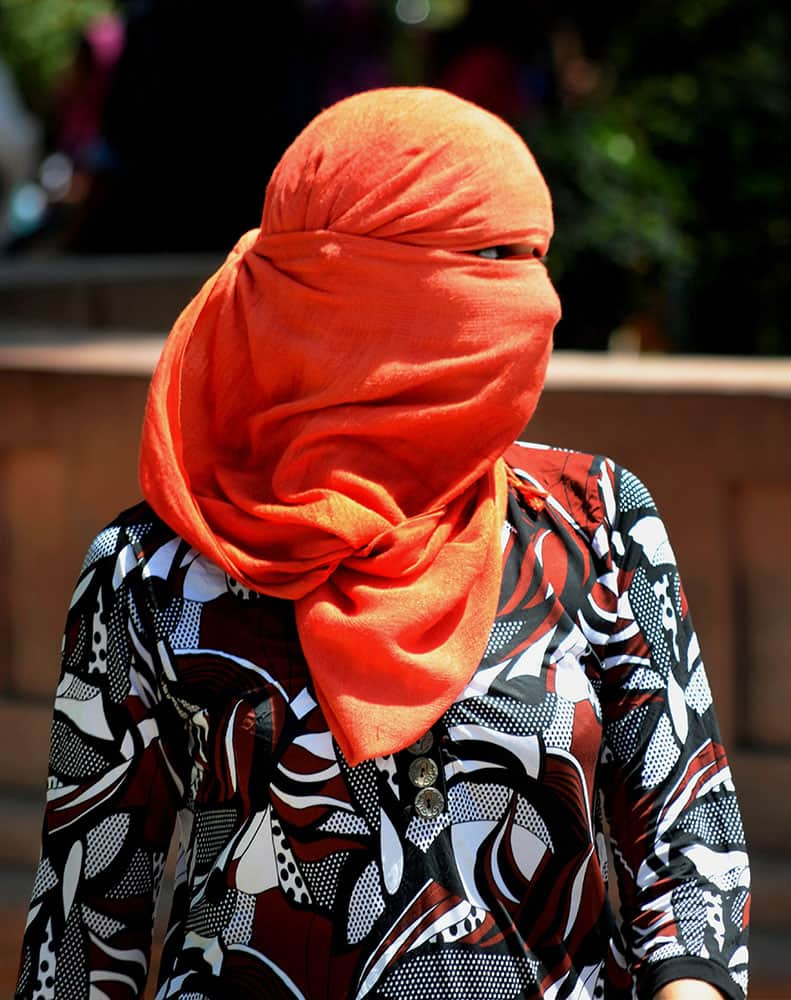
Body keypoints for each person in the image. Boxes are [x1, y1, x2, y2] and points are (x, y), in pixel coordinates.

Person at [15, 88, 749, 1000]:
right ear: (350, 290)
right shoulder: (152, 569)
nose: (535, 302)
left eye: (530, 260)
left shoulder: (594, 518)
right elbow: (89, 924)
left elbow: (687, 837)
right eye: (487, 261)